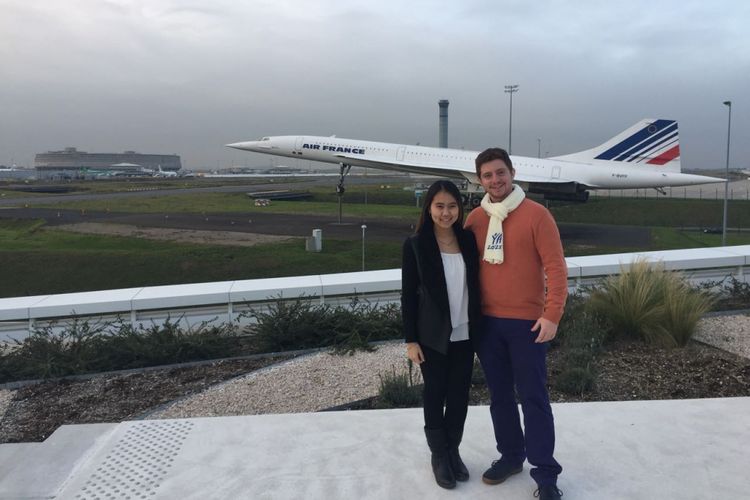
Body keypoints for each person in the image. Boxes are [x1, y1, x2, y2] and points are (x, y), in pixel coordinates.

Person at [464, 148, 568, 500]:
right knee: (500, 398)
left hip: (528, 324)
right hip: (488, 325)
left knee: (535, 398)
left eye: (500, 173)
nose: (495, 181)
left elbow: (555, 268)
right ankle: (510, 456)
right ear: (480, 180)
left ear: (513, 172)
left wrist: (552, 314)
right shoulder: (475, 219)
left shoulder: (537, 215)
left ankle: (546, 473)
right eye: (488, 176)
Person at [401, 179, 481, 490]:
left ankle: (453, 449)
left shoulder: (469, 240)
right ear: (429, 208)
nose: (446, 212)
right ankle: (438, 454)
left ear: (459, 208)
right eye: (439, 206)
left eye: (451, 206)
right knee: (435, 392)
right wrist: (410, 340)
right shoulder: (416, 245)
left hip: (465, 332)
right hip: (432, 336)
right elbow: (408, 295)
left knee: (459, 395)